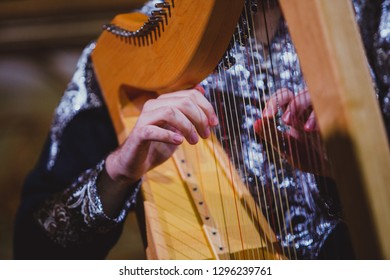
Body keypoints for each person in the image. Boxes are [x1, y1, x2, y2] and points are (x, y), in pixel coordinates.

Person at [14, 0, 389, 259]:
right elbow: (35, 252)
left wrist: (346, 175)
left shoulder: (372, 22)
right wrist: (117, 172)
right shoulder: (131, 50)